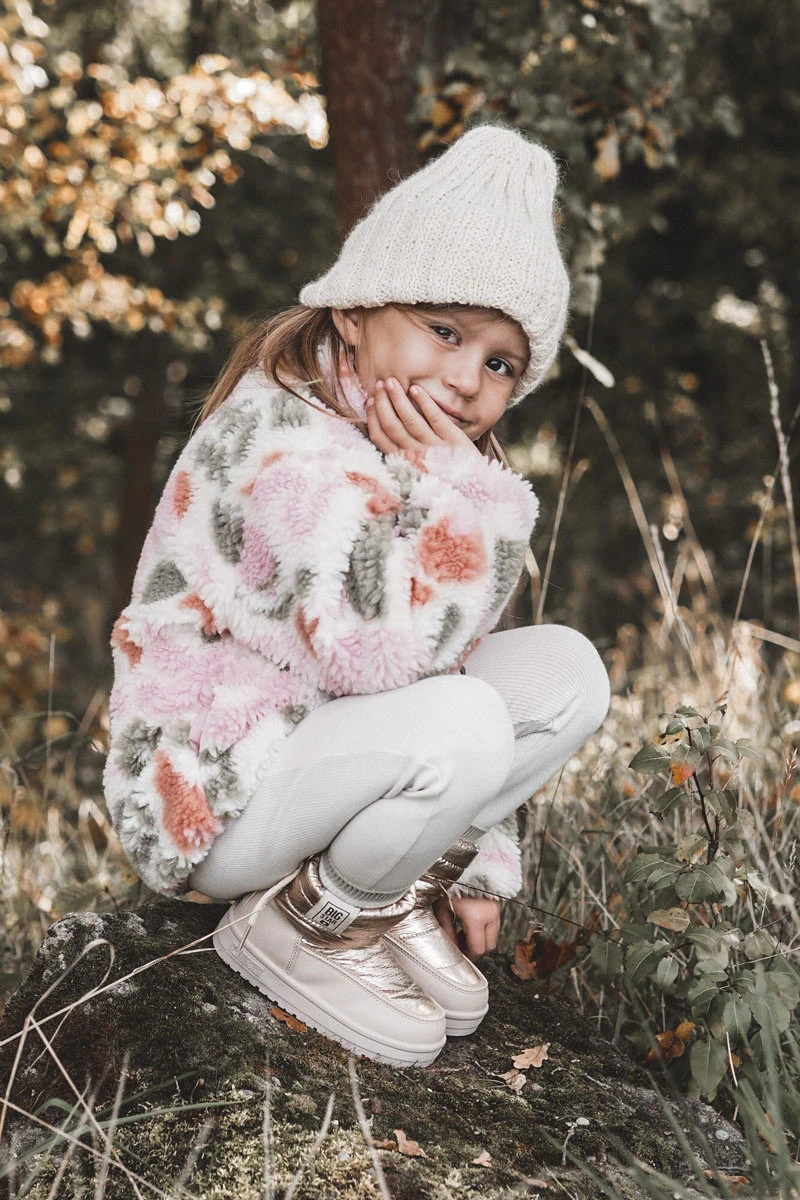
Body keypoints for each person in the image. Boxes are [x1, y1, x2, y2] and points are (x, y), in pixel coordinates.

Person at [104, 124, 611, 1068]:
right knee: (465, 717)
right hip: (222, 790)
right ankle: (308, 920)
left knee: (569, 671)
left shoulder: (408, 445)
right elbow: (380, 658)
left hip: (321, 754)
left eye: (500, 363)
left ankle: (388, 885)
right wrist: (465, 493)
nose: (465, 379)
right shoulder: (286, 445)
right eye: (445, 331)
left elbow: (454, 661)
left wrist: (474, 861)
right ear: (353, 311)